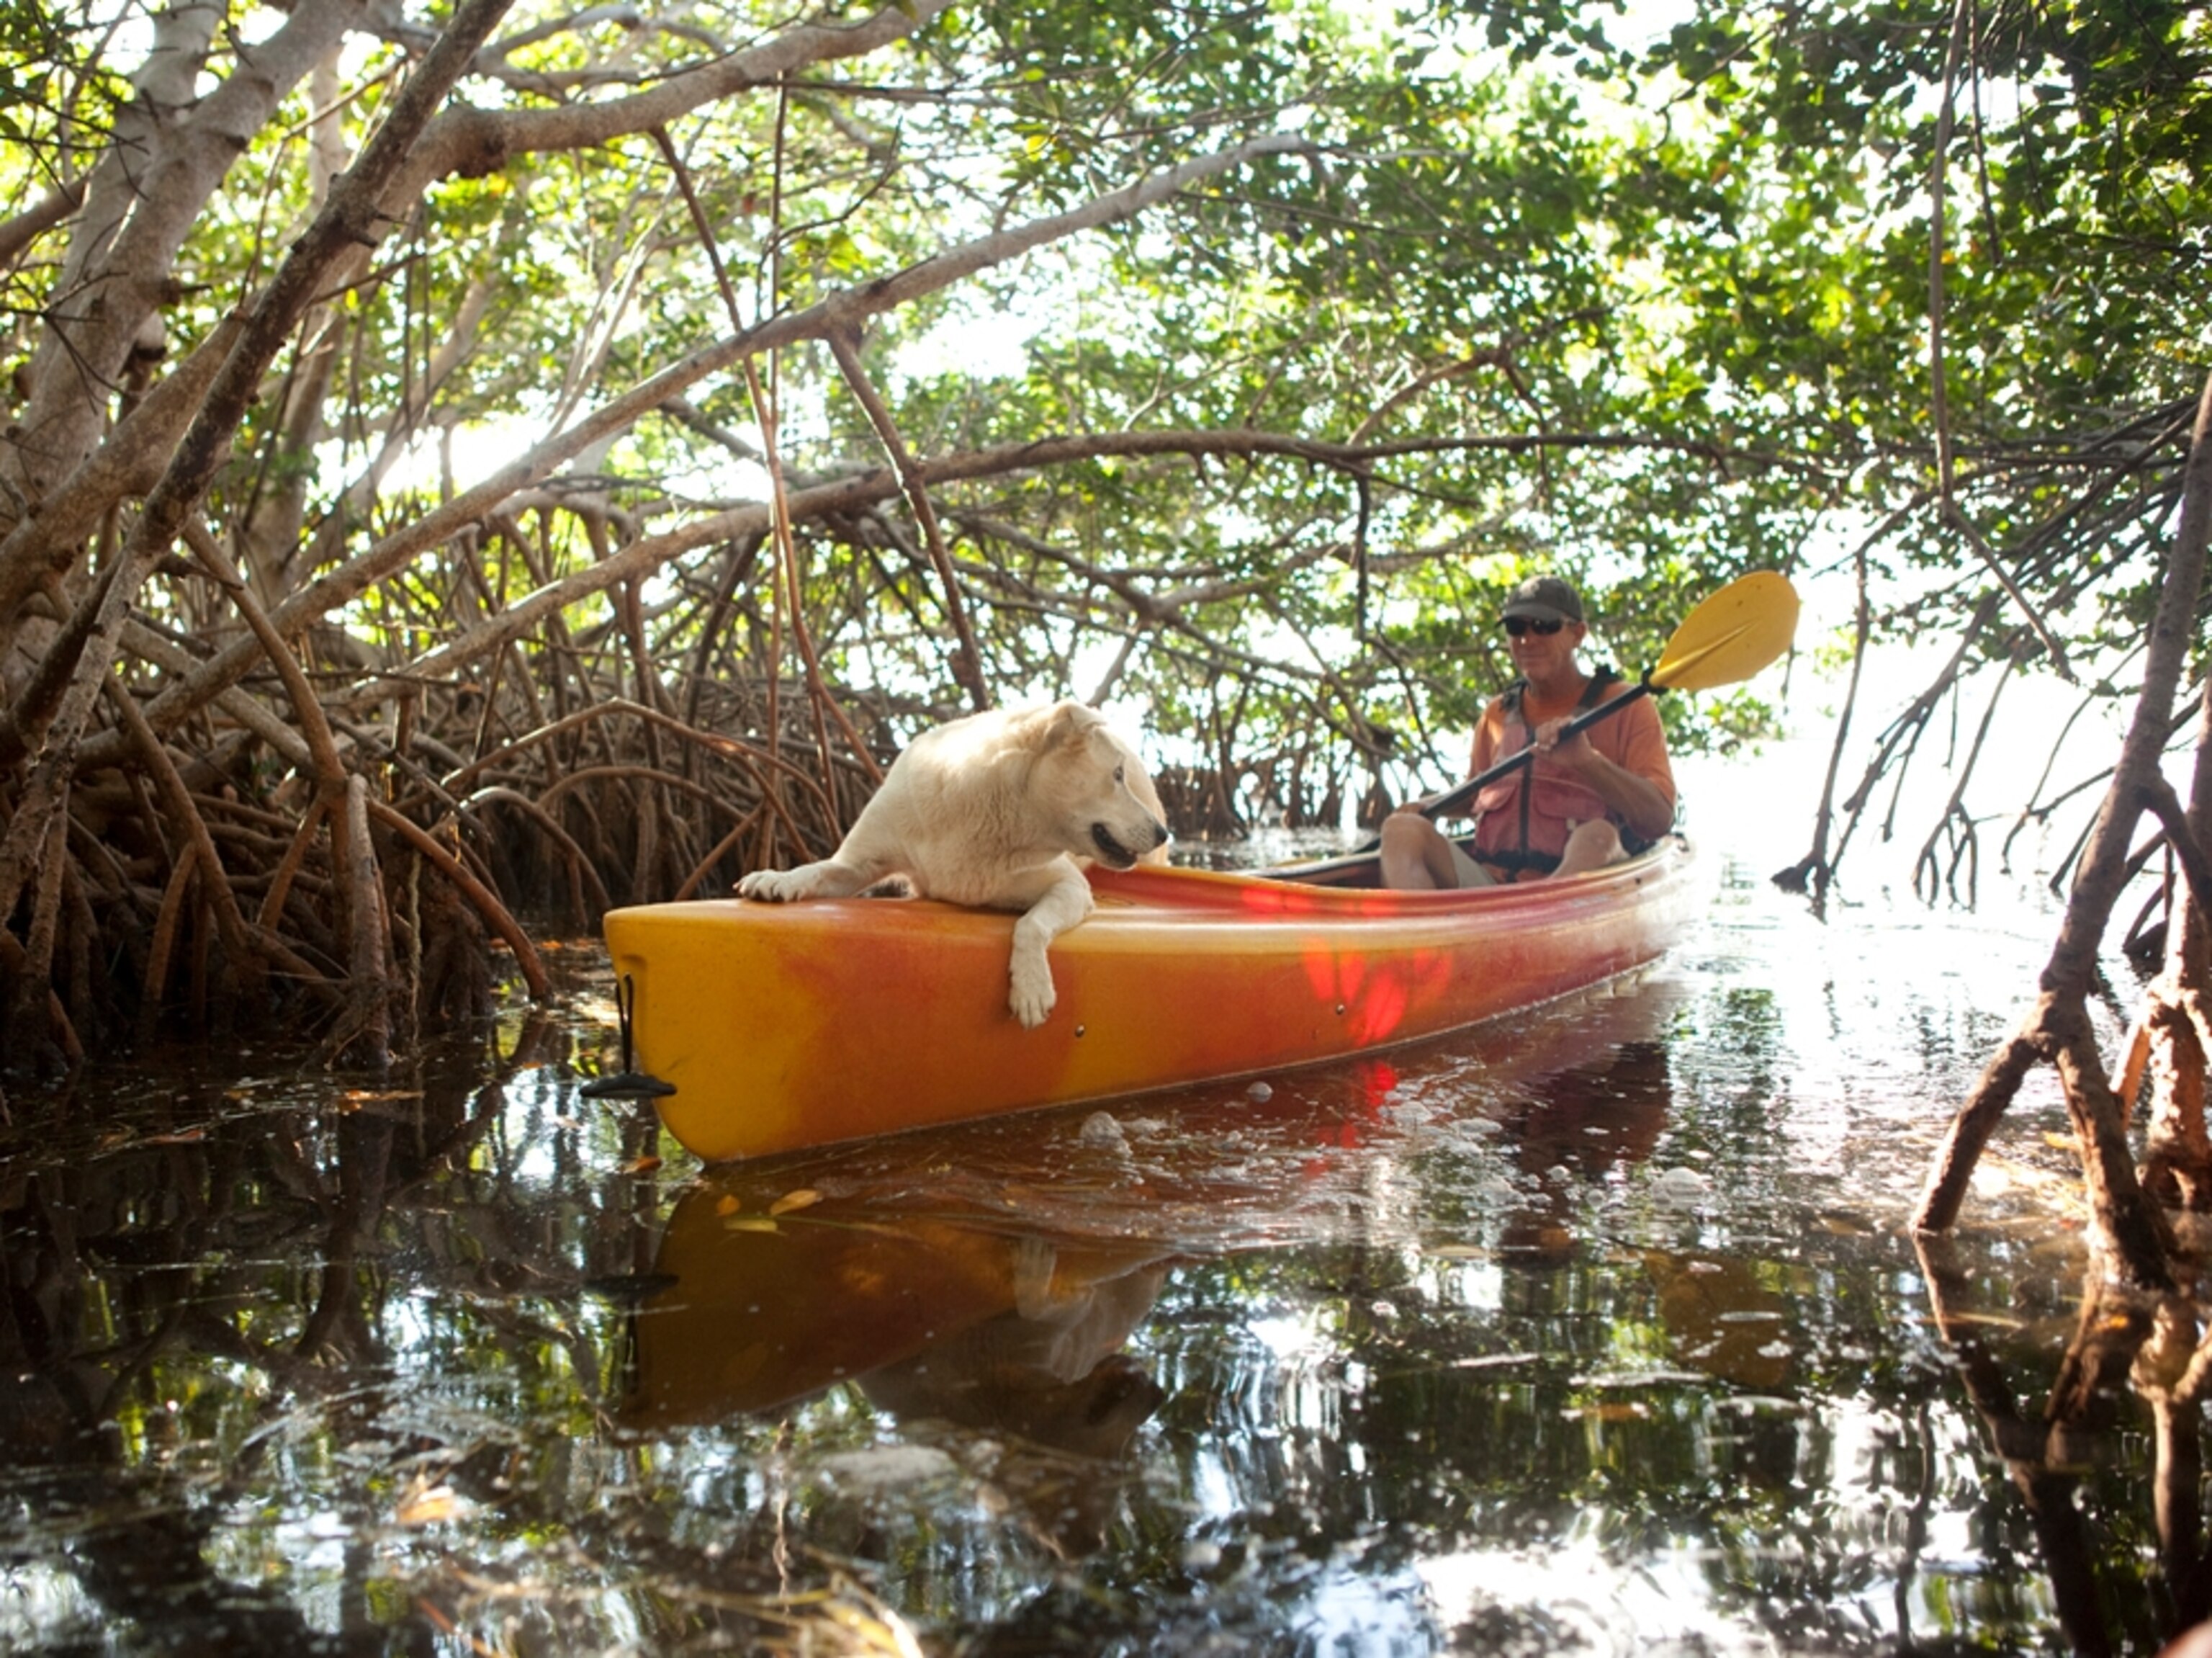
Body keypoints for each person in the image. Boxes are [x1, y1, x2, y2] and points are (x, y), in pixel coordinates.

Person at [1380, 575, 1676, 890]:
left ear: (1578, 634)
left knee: (1597, 836)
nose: (1527, 639)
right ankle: (1423, 936)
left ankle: (1544, 913)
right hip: (1493, 885)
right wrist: (1430, 804)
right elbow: (1478, 795)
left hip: (1586, 886)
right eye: (1516, 628)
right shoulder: (1498, 714)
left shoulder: (1627, 706)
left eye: (1544, 626)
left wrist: (1587, 762)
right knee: (1400, 829)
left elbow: (1659, 819)